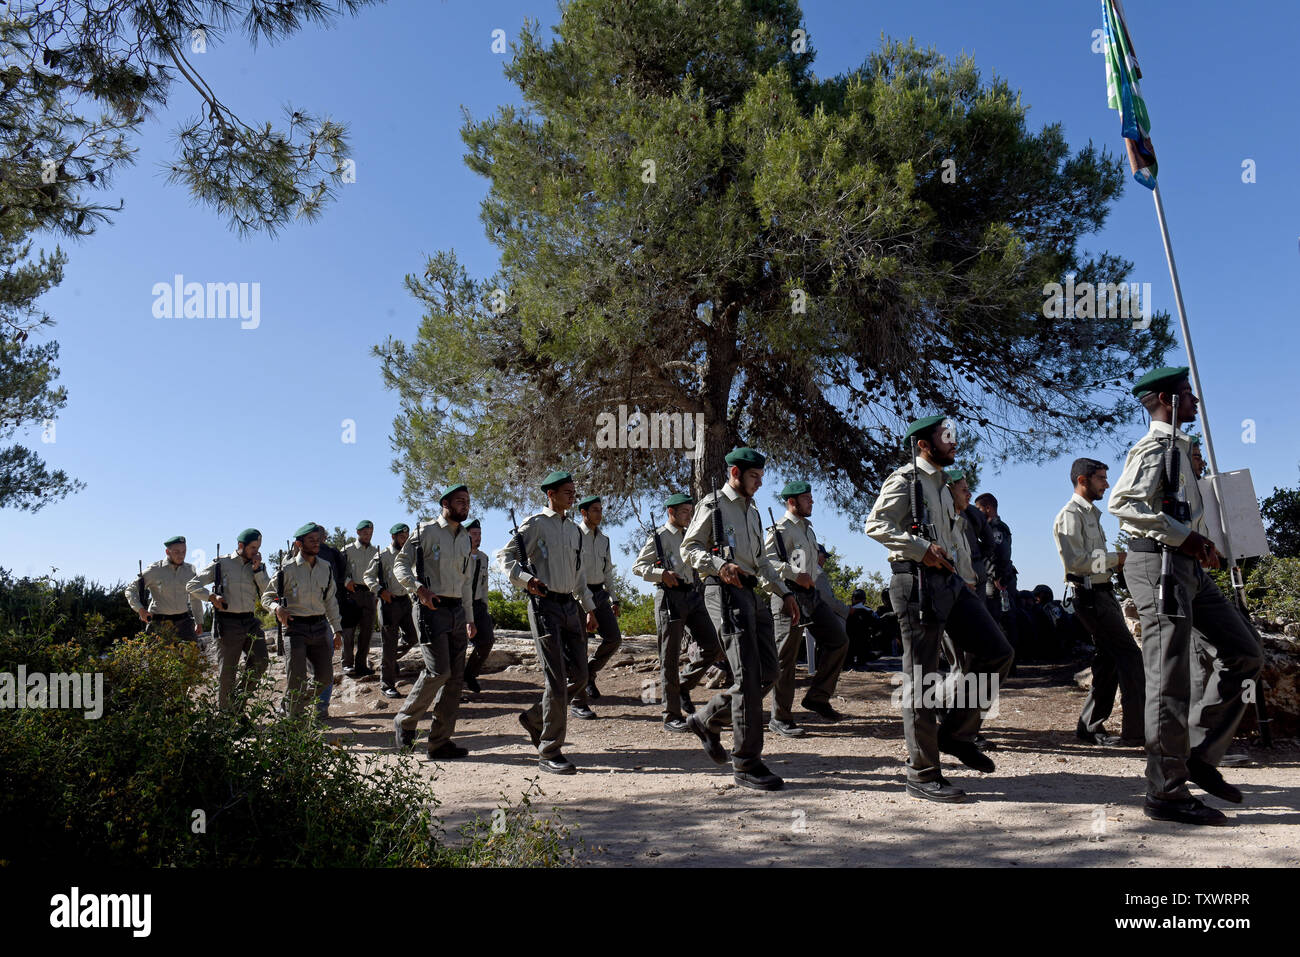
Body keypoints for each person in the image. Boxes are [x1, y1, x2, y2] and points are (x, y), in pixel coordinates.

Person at [1109, 366, 1262, 826]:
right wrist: (1183, 537)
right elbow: (1123, 503)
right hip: (1158, 566)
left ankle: (1197, 753)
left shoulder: (1180, 448)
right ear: (1164, 400)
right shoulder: (1154, 447)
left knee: (1245, 652)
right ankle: (1165, 792)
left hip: (1188, 567)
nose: (1194, 400)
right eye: (1185, 394)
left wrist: (1201, 542)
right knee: (1169, 677)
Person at [864, 415, 1014, 803]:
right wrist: (920, 548)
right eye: (946, 438)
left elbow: (952, 540)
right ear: (923, 445)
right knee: (921, 678)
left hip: (950, 584)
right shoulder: (906, 481)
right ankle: (922, 772)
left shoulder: (944, 488)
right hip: (915, 583)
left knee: (998, 652)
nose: (953, 443)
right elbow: (875, 525)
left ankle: (957, 734)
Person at [680, 446, 800, 792]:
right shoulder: (713, 505)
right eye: (754, 477)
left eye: (761, 477)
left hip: (751, 593)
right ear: (735, 474)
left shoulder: (753, 511)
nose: (760, 483)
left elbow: (761, 562)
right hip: (723, 592)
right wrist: (720, 565)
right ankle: (746, 762)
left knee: (768, 671)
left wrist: (784, 592)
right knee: (747, 676)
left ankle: (706, 719)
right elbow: (689, 549)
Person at [501, 470, 597, 775]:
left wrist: (590, 608)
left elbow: (580, 574)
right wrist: (528, 580)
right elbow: (506, 558)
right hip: (544, 606)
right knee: (556, 682)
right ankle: (549, 750)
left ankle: (535, 718)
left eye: (573, 491)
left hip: (570, 606)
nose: (572, 495)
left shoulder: (574, 530)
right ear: (550, 494)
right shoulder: (536, 525)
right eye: (566, 491)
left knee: (581, 677)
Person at [1052, 457, 1144, 746]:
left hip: (1103, 594)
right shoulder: (1070, 514)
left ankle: (1090, 726)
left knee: (1108, 661)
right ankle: (1137, 732)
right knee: (1130, 657)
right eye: (1101, 478)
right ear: (1083, 480)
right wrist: (1118, 559)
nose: (1107, 483)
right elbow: (1076, 562)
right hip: (1090, 596)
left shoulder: (1091, 514)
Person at [391, 485, 477, 760]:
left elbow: (465, 583)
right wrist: (418, 589)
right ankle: (405, 720)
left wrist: (469, 618)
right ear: (445, 503)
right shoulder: (425, 531)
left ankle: (440, 742)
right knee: (438, 671)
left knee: (454, 680)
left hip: (456, 612)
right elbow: (400, 565)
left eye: (467, 502)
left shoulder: (465, 538)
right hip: (430, 609)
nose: (465, 506)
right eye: (460, 502)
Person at [632, 492, 722, 732]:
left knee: (713, 646)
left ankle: (683, 684)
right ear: (671, 512)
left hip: (692, 595)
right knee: (669, 657)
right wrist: (662, 574)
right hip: (669, 597)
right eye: (684, 511)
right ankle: (671, 714)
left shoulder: (689, 536)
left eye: (690, 511)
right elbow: (638, 566)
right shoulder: (660, 537)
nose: (689, 515)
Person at [765, 483, 850, 736]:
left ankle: (818, 698)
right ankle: (780, 718)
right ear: (792, 502)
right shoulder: (779, 530)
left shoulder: (808, 529)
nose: (811, 502)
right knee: (785, 658)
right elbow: (766, 562)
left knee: (839, 640)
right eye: (806, 498)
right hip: (787, 595)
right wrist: (793, 574)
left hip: (811, 596)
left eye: (811, 497)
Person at [261, 523, 344, 718]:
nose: (316, 544)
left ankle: (289, 706)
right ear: (299, 543)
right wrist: (277, 608)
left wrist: (337, 630)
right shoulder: (287, 569)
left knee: (324, 678)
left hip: (319, 627)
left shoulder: (326, 568)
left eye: (318, 540)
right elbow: (267, 597)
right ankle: (293, 724)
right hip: (295, 628)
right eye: (311, 541)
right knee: (296, 680)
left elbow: (330, 600)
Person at [187, 529, 270, 708]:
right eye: (253, 548)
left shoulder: (258, 567)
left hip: (250, 621)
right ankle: (225, 715)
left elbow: (267, 593)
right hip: (227, 622)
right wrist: (211, 597)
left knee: (261, 661)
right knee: (228, 671)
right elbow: (192, 585)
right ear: (241, 546)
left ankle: (238, 702)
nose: (256, 552)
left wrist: (258, 571)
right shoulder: (221, 563)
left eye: (258, 548)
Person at [572, 495, 623, 717]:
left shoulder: (604, 539)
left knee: (613, 638)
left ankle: (590, 673)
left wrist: (614, 598)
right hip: (578, 595)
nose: (599, 514)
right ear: (583, 513)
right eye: (594, 510)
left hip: (600, 593)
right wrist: (586, 607)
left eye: (600, 510)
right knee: (579, 647)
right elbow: (574, 572)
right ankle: (578, 702)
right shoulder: (574, 536)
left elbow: (608, 571)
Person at [364, 522, 417, 698]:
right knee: (389, 644)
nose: (404, 540)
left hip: (405, 601)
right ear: (393, 537)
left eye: (406, 537)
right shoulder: (383, 555)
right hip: (388, 603)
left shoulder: (409, 554)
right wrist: (380, 591)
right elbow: (368, 577)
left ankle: (391, 658)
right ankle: (387, 685)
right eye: (402, 537)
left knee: (412, 636)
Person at [125, 535, 205, 643]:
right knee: (157, 658)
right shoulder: (155, 570)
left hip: (184, 623)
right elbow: (130, 590)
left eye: (184, 551)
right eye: (177, 552)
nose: (181, 555)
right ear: (167, 552)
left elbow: (195, 597)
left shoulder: (190, 571)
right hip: (159, 624)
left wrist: (199, 622)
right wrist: (140, 610)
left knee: (191, 657)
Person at [462, 519, 496, 694]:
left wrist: (485, 605)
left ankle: (469, 674)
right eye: (474, 534)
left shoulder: (483, 557)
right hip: (460, 605)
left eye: (479, 534)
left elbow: (484, 584)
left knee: (487, 640)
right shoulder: (460, 555)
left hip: (478, 605)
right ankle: (453, 684)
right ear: (466, 535)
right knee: (458, 645)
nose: (477, 537)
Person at [342, 520, 379, 677]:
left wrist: (377, 592)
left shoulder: (375, 552)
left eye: (370, 533)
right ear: (358, 533)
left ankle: (361, 664)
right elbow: (339, 570)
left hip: (369, 594)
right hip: (352, 593)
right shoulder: (347, 550)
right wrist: (346, 582)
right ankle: (347, 664)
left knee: (366, 632)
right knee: (349, 632)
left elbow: (378, 573)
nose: (368, 535)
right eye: (365, 533)